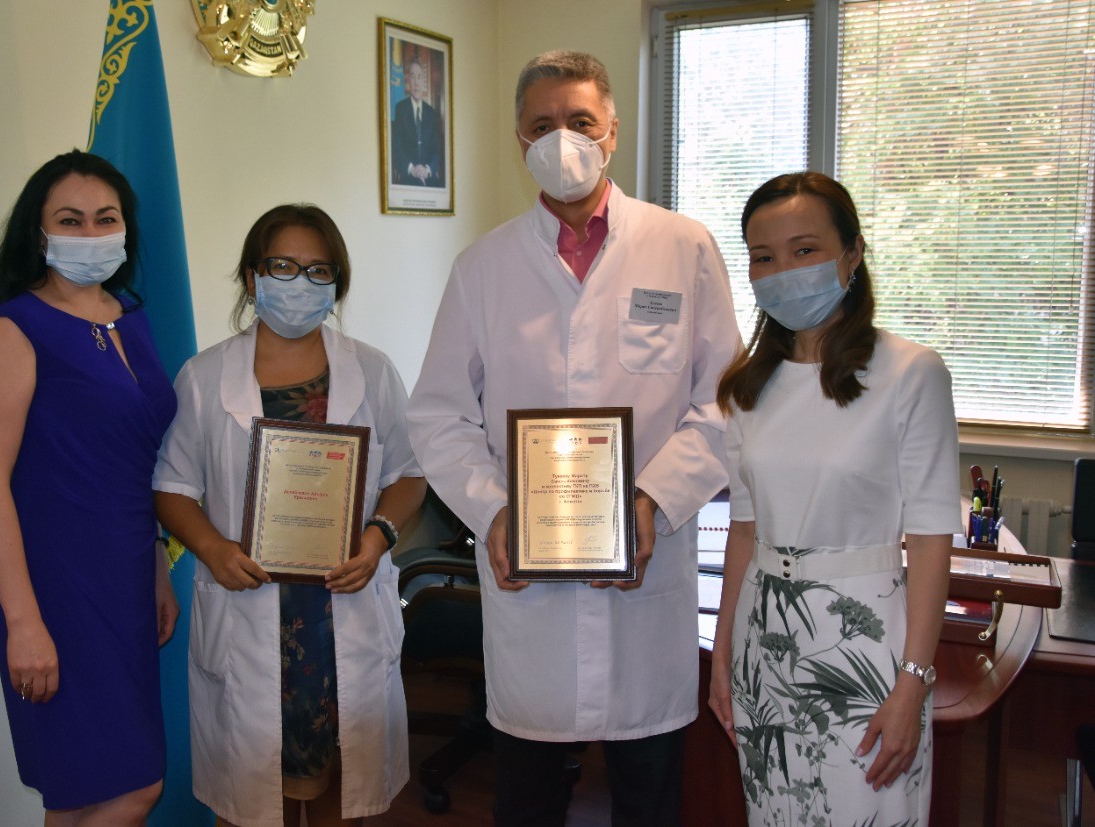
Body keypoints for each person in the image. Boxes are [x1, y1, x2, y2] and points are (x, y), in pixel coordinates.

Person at [407, 50, 740, 825]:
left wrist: (654, 496)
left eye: (581, 122)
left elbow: (724, 402)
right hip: (533, 587)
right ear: (519, 141)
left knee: (649, 791)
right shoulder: (482, 267)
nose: (564, 140)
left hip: (645, 578)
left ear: (613, 131)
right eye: (543, 126)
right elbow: (439, 412)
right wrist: (495, 511)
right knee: (527, 794)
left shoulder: (682, 247)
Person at [152, 204, 426, 827]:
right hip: (250, 604)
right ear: (253, 278)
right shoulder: (203, 378)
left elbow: (410, 474)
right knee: (249, 800)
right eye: (283, 266)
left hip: (340, 610)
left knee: (338, 789)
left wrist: (378, 538)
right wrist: (213, 550)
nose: (299, 283)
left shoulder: (373, 371)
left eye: (318, 270)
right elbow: (170, 487)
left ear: (336, 284)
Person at [708, 171, 960, 825]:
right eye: (763, 257)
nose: (781, 270)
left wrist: (913, 680)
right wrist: (723, 656)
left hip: (863, 642)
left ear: (852, 254)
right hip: (766, 637)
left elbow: (932, 539)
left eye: (804, 249)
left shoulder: (911, 373)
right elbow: (744, 528)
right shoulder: (745, 387)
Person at [0, 150, 178, 824]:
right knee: (123, 786)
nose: (91, 233)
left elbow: (135, 465)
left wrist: (157, 570)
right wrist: (23, 621)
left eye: (105, 218)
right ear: (40, 232)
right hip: (54, 589)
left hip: (125, 583)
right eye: (70, 220)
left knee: (98, 787)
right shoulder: (14, 329)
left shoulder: (131, 318)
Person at [391, 57, 444, 187]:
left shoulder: (431, 113)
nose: (416, 82)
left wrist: (427, 169)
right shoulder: (401, 109)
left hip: (429, 177)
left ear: (423, 82)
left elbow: (436, 151)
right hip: (408, 177)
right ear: (408, 81)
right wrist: (412, 169)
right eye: (413, 77)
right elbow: (396, 149)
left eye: (419, 77)